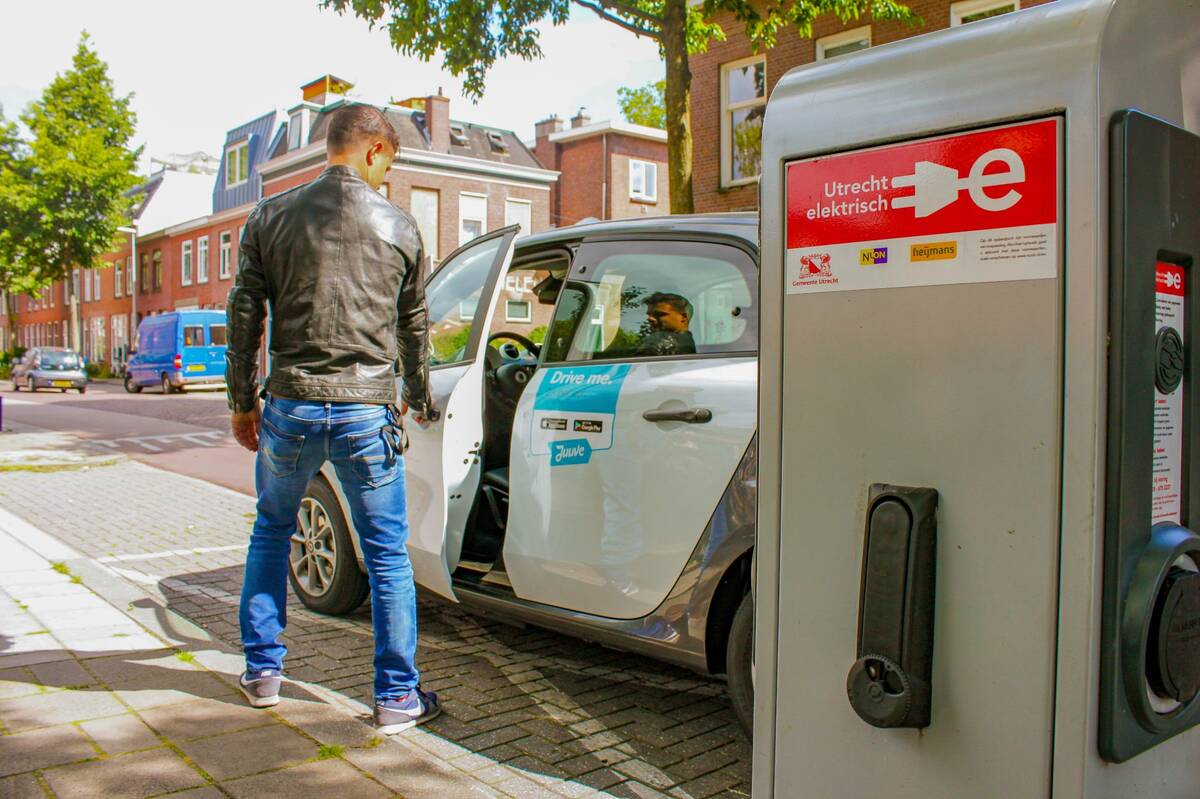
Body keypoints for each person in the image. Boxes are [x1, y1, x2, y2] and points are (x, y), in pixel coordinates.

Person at [225, 103, 440, 733]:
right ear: (373, 150)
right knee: (388, 554)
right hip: (366, 408)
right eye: (389, 165)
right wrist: (420, 395)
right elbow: (415, 326)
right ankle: (397, 697)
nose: (386, 178)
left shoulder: (270, 215)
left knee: (271, 530)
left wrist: (243, 401)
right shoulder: (400, 226)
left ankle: (264, 673)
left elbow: (245, 316)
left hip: (289, 402)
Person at [637, 292, 697, 356]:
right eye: (649, 314)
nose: (650, 318)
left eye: (659, 314)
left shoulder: (659, 343)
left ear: (683, 317)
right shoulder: (688, 343)